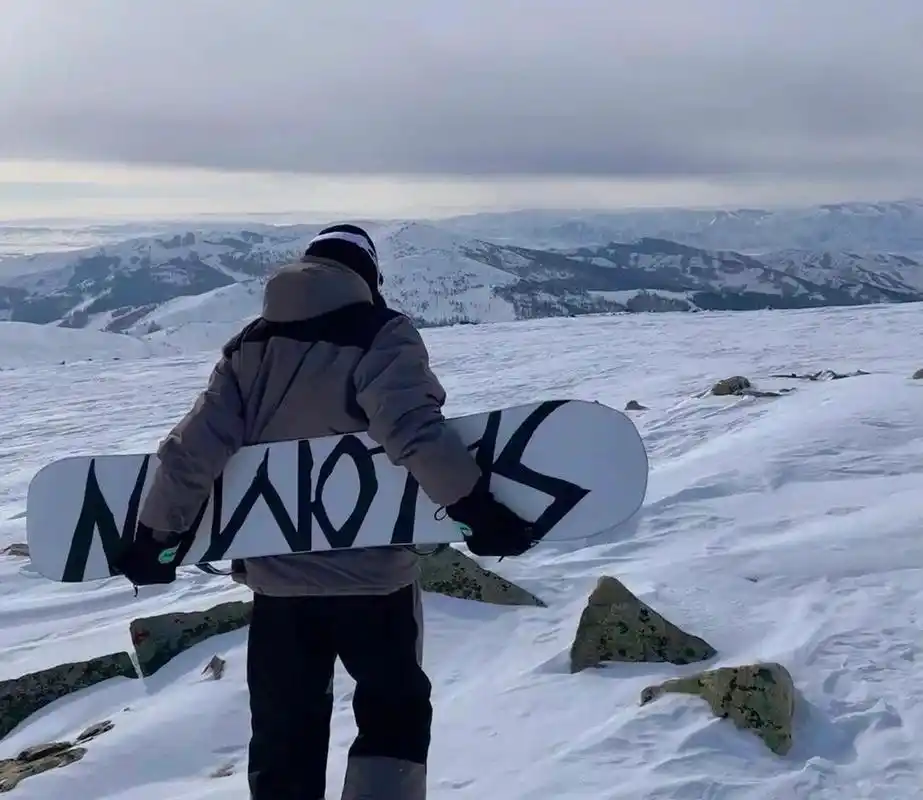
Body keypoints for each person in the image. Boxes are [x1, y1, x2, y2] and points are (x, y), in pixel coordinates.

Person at [112, 223, 537, 800]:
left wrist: (156, 534)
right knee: (394, 718)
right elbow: (411, 430)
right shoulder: (381, 333)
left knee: (284, 737)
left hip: (280, 588)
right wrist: (474, 507)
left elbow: (194, 449)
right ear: (366, 276)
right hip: (373, 583)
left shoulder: (249, 347)